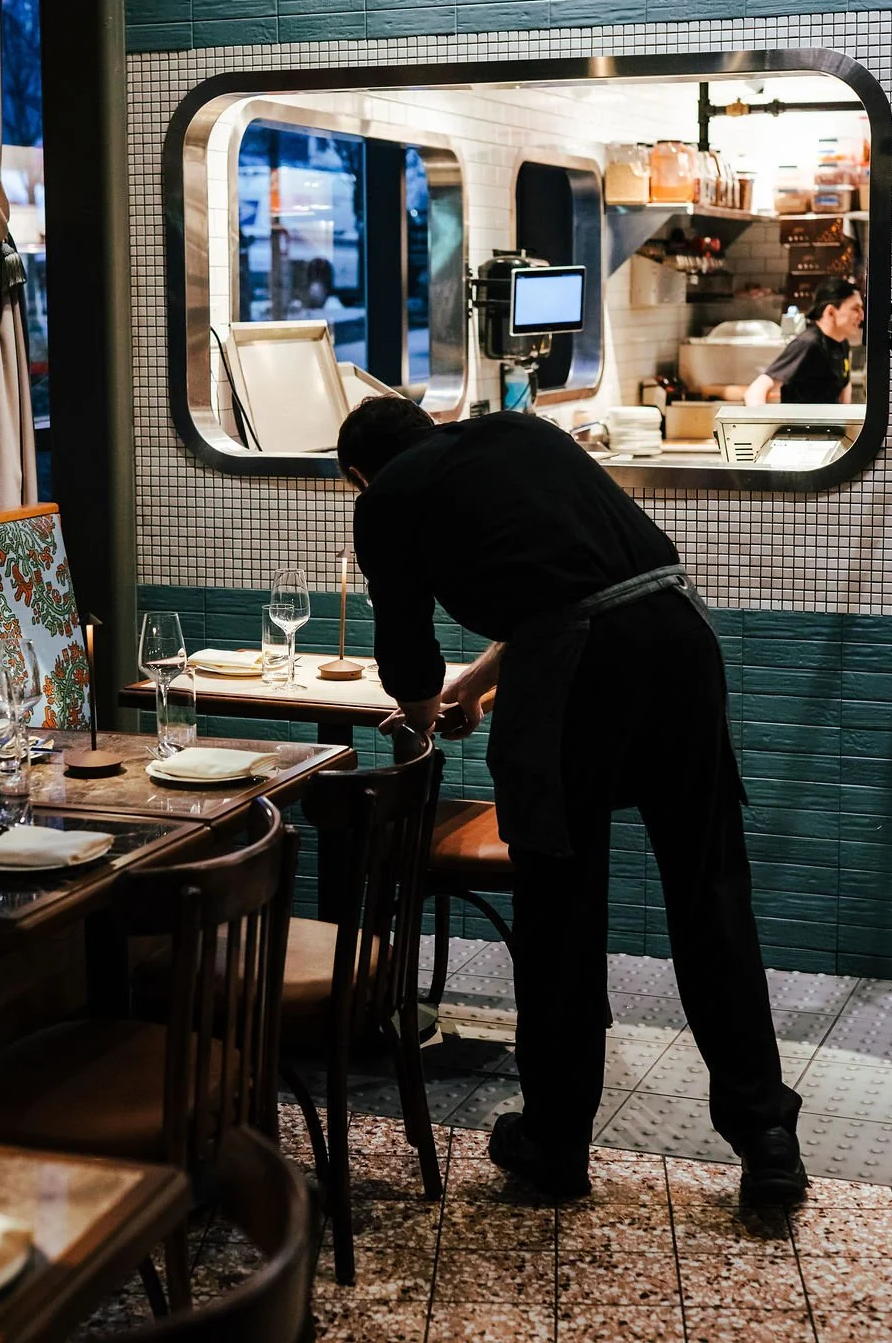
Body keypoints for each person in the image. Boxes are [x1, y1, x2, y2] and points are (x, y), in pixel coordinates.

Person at [337, 395, 806, 1204]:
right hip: (682, 638)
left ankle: (555, 1145)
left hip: (580, 675)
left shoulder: (386, 497)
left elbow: (407, 660)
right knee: (710, 893)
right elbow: (572, 584)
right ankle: (767, 1139)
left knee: (560, 907)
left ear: (356, 473)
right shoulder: (520, 434)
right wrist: (476, 689)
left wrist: (423, 719)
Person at [744, 277, 863, 406]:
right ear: (831, 312)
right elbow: (755, 390)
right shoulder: (808, 344)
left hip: (829, 425)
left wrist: (847, 422)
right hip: (802, 425)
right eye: (855, 308)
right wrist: (762, 424)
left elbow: (845, 385)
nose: (862, 315)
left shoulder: (841, 343)